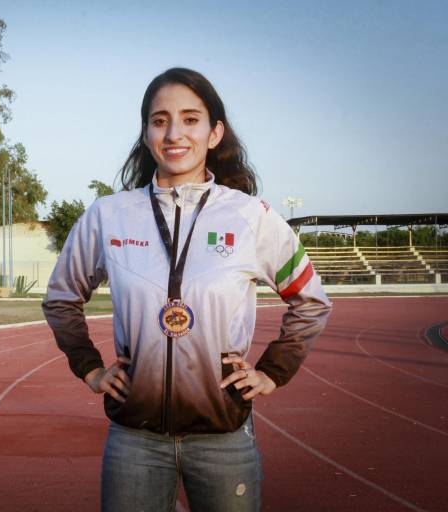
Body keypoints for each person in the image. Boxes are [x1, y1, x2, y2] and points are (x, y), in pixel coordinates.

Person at [42, 67, 332, 511]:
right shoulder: (108, 215)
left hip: (224, 438)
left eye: (190, 119)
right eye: (160, 120)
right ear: (146, 133)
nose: (174, 133)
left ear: (215, 133)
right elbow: (62, 297)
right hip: (134, 441)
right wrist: (90, 368)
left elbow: (310, 300)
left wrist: (272, 372)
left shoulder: (252, 216)